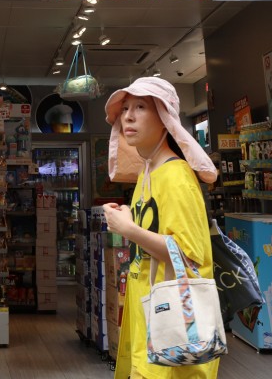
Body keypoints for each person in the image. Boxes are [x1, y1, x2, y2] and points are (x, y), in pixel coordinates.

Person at [103, 77, 220, 379]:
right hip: (152, 326)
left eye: (141, 107)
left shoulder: (177, 176)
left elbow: (189, 256)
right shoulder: (148, 172)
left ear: (165, 118)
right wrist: (130, 216)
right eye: (125, 108)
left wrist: (128, 229)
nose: (127, 116)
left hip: (173, 335)